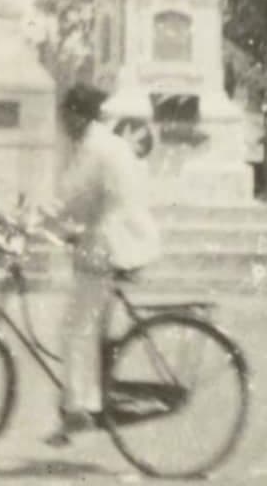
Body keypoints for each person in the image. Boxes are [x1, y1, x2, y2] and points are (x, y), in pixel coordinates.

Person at [39, 82, 160, 446]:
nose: (61, 123)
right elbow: (81, 200)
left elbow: (70, 197)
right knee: (84, 326)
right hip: (110, 238)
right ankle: (85, 403)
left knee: (75, 328)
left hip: (112, 243)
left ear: (77, 116)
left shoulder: (95, 148)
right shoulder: (98, 143)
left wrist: (34, 220)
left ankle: (81, 410)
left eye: (65, 115)